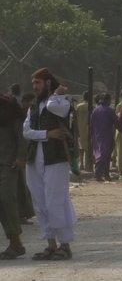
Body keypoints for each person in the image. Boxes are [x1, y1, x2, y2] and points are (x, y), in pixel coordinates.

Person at [23, 68, 77, 260]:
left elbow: (55, 108)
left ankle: (65, 244)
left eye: (38, 83)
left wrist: (55, 93)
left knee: (56, 201)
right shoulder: (33, 107)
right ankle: (51, 244)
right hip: (34, 159)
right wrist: (47, 134)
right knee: (40, 203)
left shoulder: (60, 101)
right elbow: (26, 132)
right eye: (33, 84)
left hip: (56, 158)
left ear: (47, 82)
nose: (35, 87)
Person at [0, 92, 28, 259]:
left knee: (7, 198)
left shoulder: (9, 106)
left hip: (9, 162)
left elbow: (21, 134)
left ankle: (16, 242)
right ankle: (14, 243)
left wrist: (20, 156)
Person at [90, 93, 117, 182]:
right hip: (107, 136)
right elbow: (116, 123)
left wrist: (90, 136)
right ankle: (102, 174)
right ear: (108, 100)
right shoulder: (110, 110)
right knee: (106, 155)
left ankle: (102, 174)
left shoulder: (95, 110)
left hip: (97, 136)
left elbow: (91, 124)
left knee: (100, 154)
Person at [18, 93, 36, 224]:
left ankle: (23, 215)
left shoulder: (25, 116)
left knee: (23, 187)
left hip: (24, 156)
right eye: (29, 102)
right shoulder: (17, 116)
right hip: (18, 157)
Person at [75, 92, 90, 171]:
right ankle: (88, 164)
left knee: (81, 148)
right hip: (89, 129)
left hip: (80, 129)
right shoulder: (92, 107)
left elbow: (75, 118)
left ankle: (81, 163)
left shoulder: (79, 106)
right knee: (88, 147)